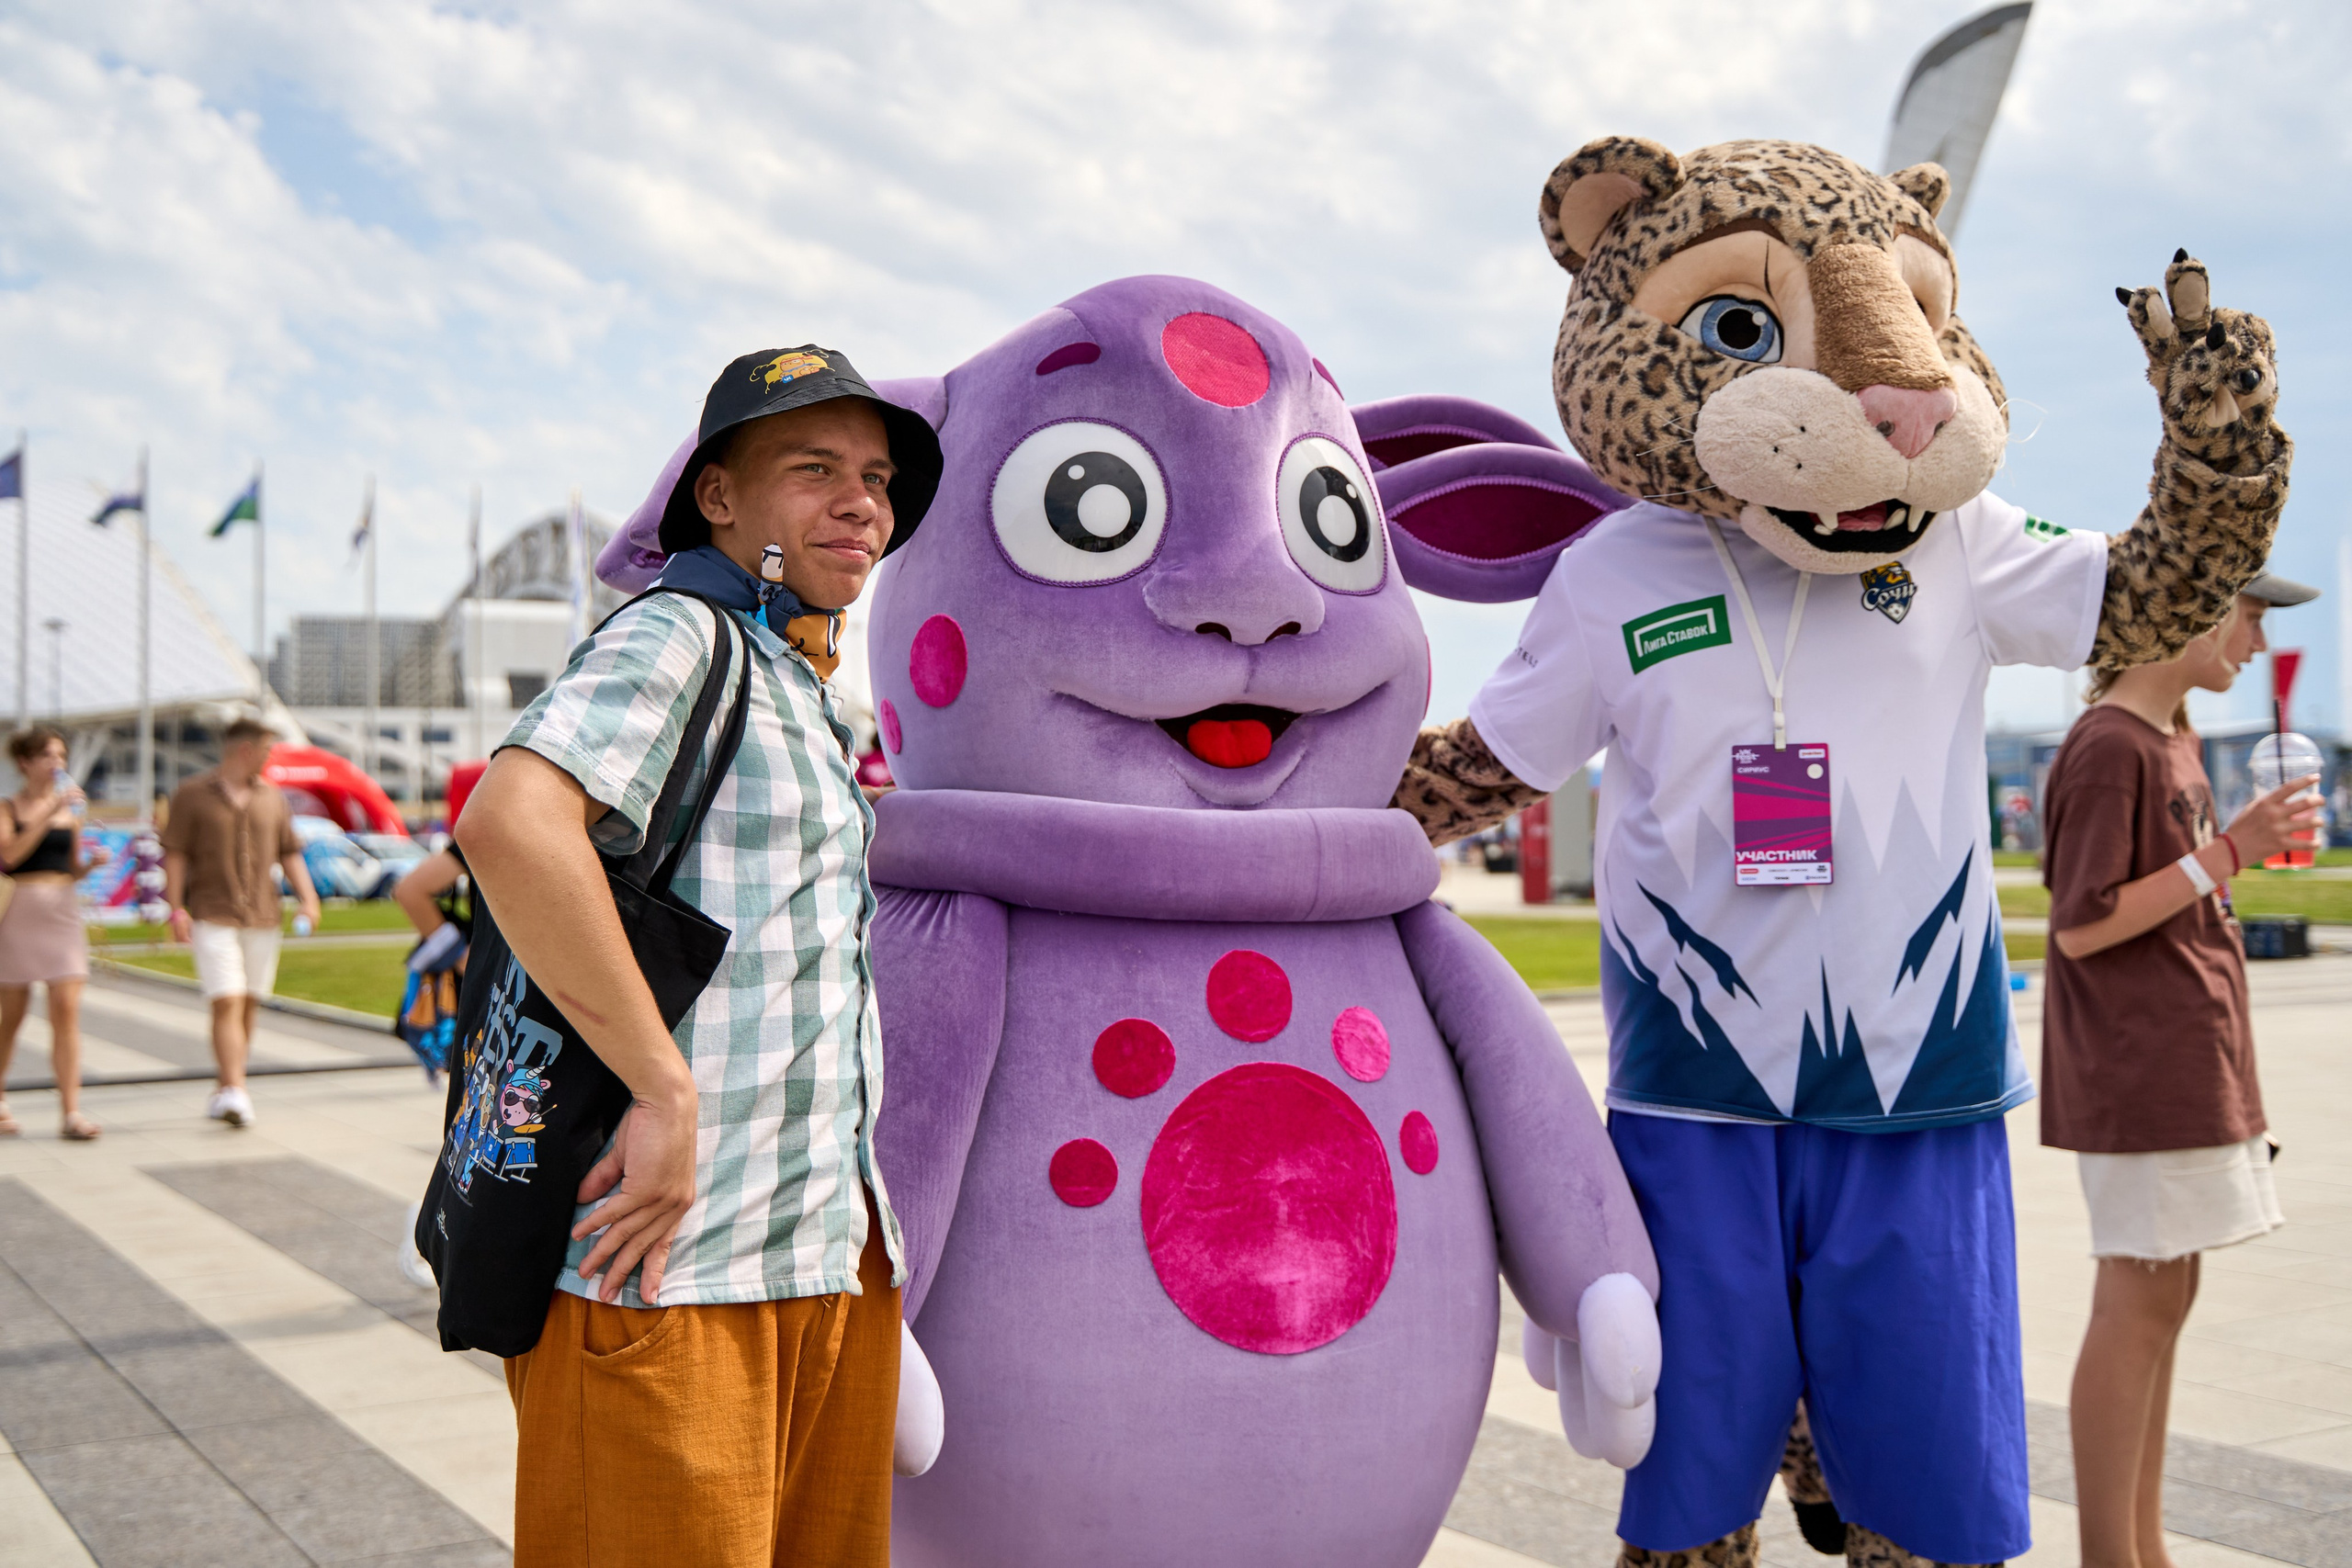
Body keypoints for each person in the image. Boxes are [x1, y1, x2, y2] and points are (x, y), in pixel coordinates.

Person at [457, 344, 940, 1568]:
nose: (861, 504)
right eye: (814, 468)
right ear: (718, 495)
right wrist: (663, 1084)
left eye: (877, 477)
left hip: (816, 1251)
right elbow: (511, 820)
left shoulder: (800, 683)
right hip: (670, 1263)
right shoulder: (680, 634)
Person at [2041, 571, 2324, 1568]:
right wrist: (2231, 853)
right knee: (2138, 1304)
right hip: (2140, 1070)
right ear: (2181, 606)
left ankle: (2144, 1548)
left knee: (2165, 1301)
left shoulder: (2173, 742)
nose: (2252, 640)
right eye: (2244, 613)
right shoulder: (2110, 746)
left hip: (2190, 1065)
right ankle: (2111, 1557)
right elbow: (2080, 928)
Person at [160, 716, 322, 1127]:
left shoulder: (273, 798)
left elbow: (289, 852)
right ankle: (235, 1090)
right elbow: (175, 854)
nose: (270, 758)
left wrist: (309, 898)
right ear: (246, 750)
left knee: (248, 1002)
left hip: (263, 916)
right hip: (212, 913)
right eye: (267, 750)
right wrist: (175, 908)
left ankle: (228, 1085)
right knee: (226, 999)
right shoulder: (191, 795)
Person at [0, 725, 110, 1140]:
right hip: (19, 915)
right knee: (12, 1015)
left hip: (61, 912)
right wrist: (49, 811)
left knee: (66, 1009)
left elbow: (70, 865)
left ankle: (71, 1111)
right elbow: (9, 854)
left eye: (61, 756)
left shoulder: (70, 811)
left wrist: (91, 864)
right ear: (25, 762)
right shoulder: (9, 808)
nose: (57, 764)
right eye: (48, 756)